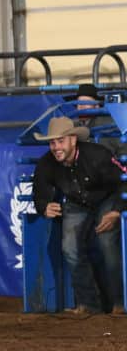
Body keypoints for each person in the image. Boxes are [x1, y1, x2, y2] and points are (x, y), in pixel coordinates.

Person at [31, 116, 125, 316]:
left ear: (73, 140)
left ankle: (119, 303)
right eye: (52, 142)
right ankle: (89, 304)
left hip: (107, 198)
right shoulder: (46, 164)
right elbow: (39, 192)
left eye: (60, 141)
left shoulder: (98, 155)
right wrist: (44, 206)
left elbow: (123, 180)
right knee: (69, 248)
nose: (56, 147)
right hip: (76, 202)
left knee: (107, 242)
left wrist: (117, 210)